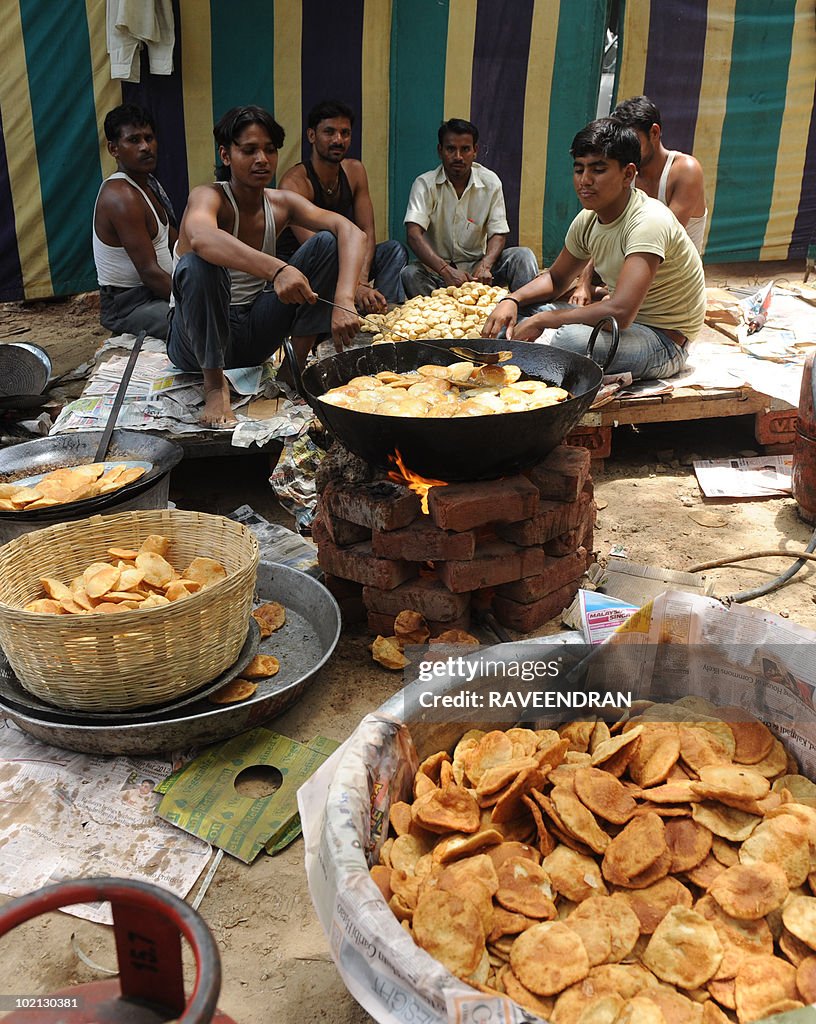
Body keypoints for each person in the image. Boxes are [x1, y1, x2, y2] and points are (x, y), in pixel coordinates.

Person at [166, 105, 366, 427]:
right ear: (226, 155)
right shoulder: (208, 197)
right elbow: (202, 237)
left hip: (251, 335)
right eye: (249, 150)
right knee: (198, 264)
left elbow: (351, 231)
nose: (262, 159)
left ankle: (293, 368)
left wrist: (344, 300)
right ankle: (216, 388)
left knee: (326, 244)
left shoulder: (279, 203)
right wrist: (278, 270)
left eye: (269, 150)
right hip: (194, 343)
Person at [482, 119, 706, 381]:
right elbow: (556, 279)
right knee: (513, 318)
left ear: (628, 174)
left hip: (663, 341)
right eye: (579, 170)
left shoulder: (648, 221)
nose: (585, 180)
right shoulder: (589, 219)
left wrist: (543, 322)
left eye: (598, 170)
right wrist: (511, 300)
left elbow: (621, 313)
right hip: (621, 328)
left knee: (570, 340)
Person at [571, 95, 708, 306]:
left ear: (654, 132)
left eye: (632, 141)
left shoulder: (685, 170)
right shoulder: (626, 172)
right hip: (626, 262)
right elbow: (602, 229)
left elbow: (658, 242)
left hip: (666, 278)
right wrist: (583, 281)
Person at [277, 100, 407, 311]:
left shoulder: (355, 171)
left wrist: (361, 282)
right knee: (326, 241)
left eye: (345, 133)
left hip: (346, 259)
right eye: (329, 132)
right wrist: (353, 285)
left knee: (394, 250)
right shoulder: (294, 183)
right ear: (312, 135)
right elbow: (316, 246)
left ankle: (380, 312)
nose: (338, 140)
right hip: (303, 264)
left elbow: (367, 230)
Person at [401, 118, 539, 298]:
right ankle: (443, 317)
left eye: (465, 149)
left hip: (479, 274)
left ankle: (521, 313)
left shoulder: (491, 182)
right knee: (410, 274)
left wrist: (486, 265)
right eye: (451, 149)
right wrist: (445, 270)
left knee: (522, 256)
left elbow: (498, 232)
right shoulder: (424, 184)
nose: (458, 156)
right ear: (440, 150)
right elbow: (413, 235)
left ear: (475, 151)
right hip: (437, 273)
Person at [92, 103, 177, 339]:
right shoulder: (121, 195)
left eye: (149, 138)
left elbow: (177, 242)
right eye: (134, 140)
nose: (145, 147)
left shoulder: (148, 184)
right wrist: (195, 302)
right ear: (114, 149)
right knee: (197, 327)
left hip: (155, 293)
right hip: (129, 305)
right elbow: (149, 273)